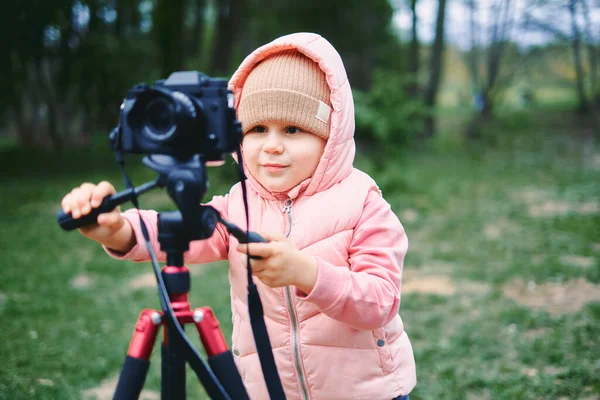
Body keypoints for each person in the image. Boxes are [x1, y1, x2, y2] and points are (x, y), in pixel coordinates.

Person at [61, 32, 416, 400]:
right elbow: (183, 230)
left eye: (293, 129)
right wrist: (117, 229)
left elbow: (380, 301)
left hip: (363, 392)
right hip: (268, 390)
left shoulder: (362, 202)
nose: (272, 144)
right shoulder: (239, 203)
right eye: (258, 129)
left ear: (331, 135)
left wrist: (306, 273)